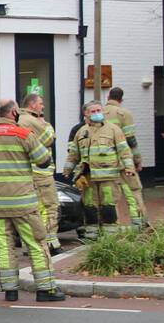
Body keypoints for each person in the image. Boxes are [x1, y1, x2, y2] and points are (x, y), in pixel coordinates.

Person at [0, 99, 64, 302]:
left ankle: (10, 290)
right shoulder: (24, 135)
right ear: (14, 112)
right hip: (24, 204)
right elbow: (44, 160)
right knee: (36, 243)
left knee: (4, 247)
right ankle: (46, 289)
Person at [63, 100, 136, 239]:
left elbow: (124, 150)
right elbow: (73, 154)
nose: (97, 114)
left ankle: (110, 237)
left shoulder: (114, 130)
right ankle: (92, 236)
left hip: (108, 178)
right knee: (90, 207)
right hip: (89, 178)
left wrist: (129, 167)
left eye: (99, 110)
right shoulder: (81, 132)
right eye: (93, 111)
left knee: (108, 207)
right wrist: (67, 171)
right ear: (86, 114)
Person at [18, 93, 62, 254]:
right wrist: (47, 124)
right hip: (41, 172)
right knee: (50, 206)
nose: (43, 106)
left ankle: (28, 245)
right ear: (32, 105)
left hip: (26, 173)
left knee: (31, 209)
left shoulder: (18, 119)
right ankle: (50, 243)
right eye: (41, 104)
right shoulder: (32, 121)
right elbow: (49, 139)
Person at [103, 87, 148, 228]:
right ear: (121, 99)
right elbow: (131, 140)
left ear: (108, 97)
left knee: (111, 196)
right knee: (133, 191)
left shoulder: (98, 113)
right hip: (124, 161)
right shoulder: (124, 114)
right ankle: (139, 223)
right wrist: (137, 160)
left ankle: (113, 226)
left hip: (105, 162)